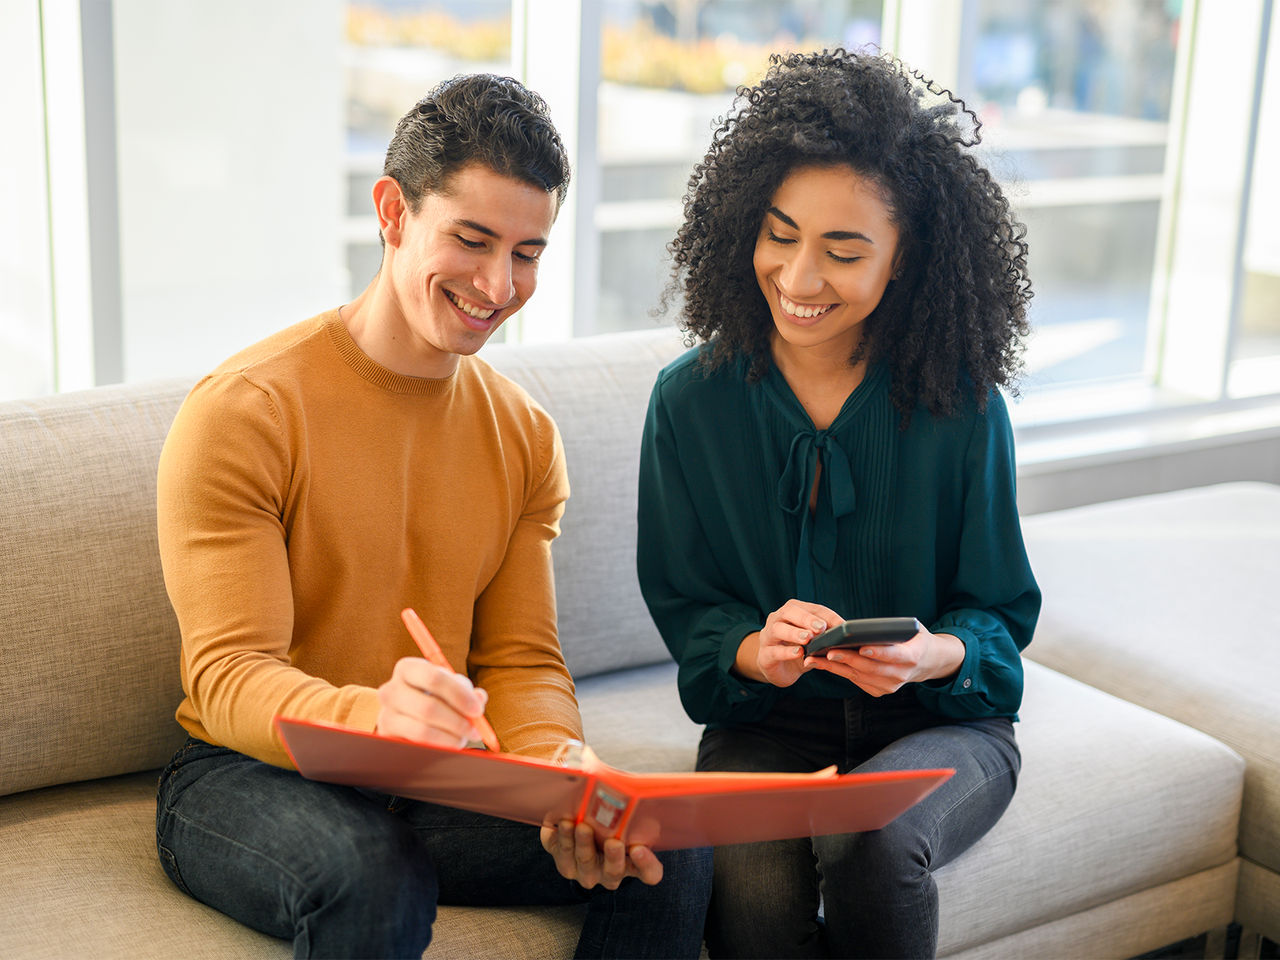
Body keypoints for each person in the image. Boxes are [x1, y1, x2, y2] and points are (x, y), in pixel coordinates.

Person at [155, 73, 710, 959]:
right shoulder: (246, 410)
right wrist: (377, 720)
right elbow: (228, 677)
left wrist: (562, 770)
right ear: (392, 211)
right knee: (372, 873)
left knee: (656, 846)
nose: (498, 284)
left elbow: (522, 660)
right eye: (473, 239)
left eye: (527, 252)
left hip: (433, 777)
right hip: (245, 771)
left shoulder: (523, 434)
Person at [636, 49, 1040, 959]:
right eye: (780, 234)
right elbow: (687, 602)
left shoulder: (962, 404)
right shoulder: (689, 401)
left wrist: (932, 654)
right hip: (765, 725)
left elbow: (1000, 618)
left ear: (904, 263)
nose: (798, 276)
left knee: (875, 837)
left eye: (844, 250)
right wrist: (753, 649)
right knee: (755, 905)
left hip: (941, 721)